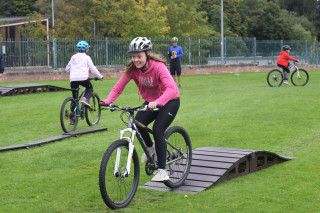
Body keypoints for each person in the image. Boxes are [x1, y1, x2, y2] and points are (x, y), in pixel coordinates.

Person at [99, 37, 180, 182]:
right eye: (133, 56)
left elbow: (172, 89)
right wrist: (109, 100)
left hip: (169, 100)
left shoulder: (158, 67)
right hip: (151, 102)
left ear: (147, 54)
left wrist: (158, 102)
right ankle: (151, 148)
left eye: (139, 56)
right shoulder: (132, 70)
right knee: (137, 123)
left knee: (158, 129)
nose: (136, 60)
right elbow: (119, 87)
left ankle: (162, 170)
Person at [66, 40, 103, 109]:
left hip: (73, 79)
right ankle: (85, 99)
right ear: (86, 49)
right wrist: (99, 76)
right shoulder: (87, 57)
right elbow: (93, 69)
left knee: (75, 98)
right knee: (89, 88)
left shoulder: (73, 57)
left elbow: (67, 68)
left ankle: (72, 118)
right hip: (83, 78)